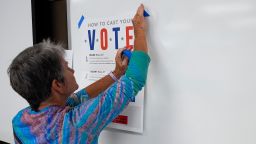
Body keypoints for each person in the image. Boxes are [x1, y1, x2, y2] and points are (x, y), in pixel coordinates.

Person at [8, 4, 150, 144]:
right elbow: (134, 79)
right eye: (67, 67)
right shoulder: (77, 123)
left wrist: (117, 73)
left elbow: (77, 98)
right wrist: (139, 30)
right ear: (57, 85)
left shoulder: (20, 119)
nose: (73, 70)